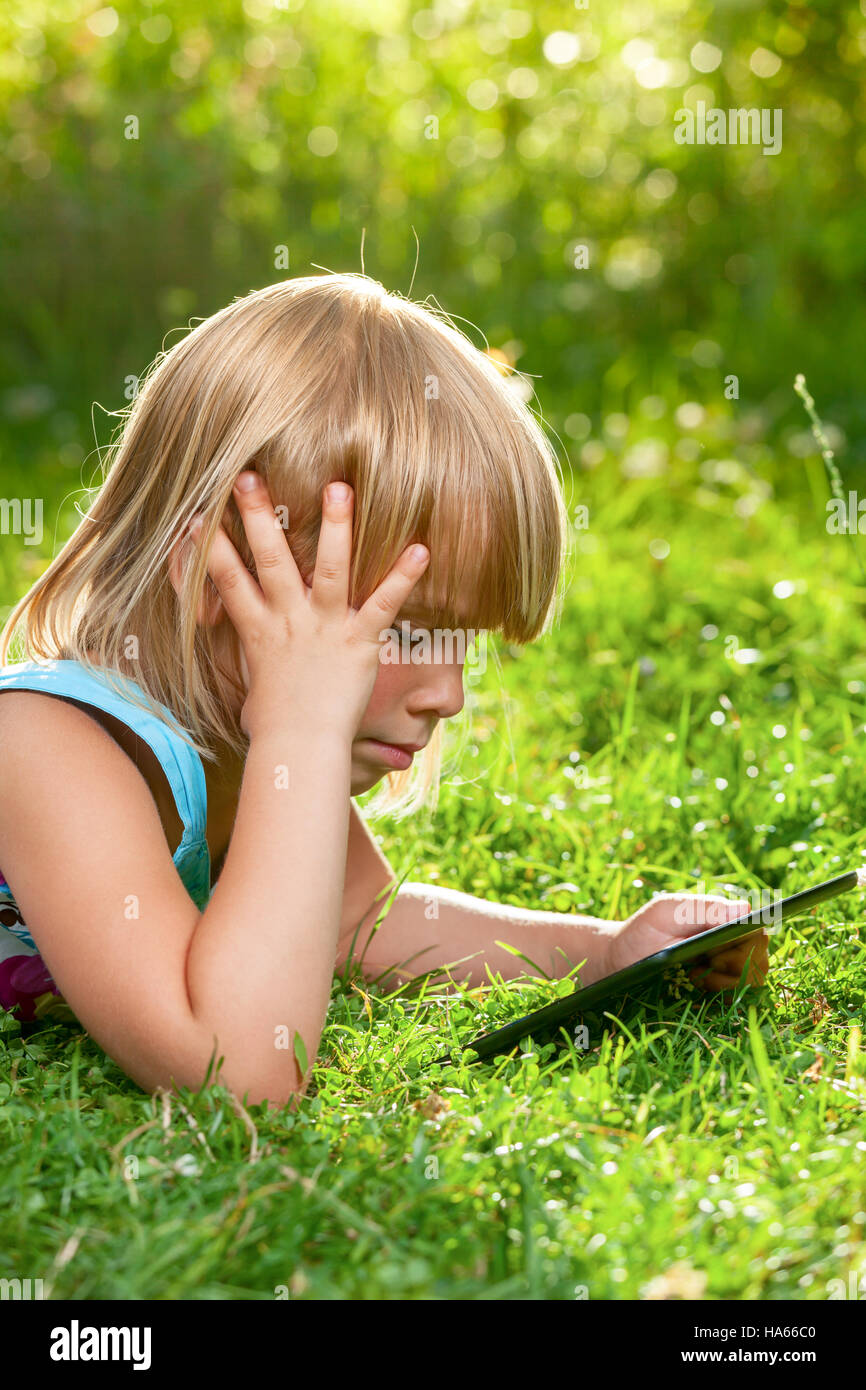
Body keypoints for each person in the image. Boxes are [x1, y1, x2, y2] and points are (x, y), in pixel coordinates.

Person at [0, 273, 767, 1106]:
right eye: (404, 630)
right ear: (217, 573)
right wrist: (301, 729)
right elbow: (235, 1078)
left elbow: (360, 922)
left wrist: (607, 952)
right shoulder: (46, 744)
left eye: (462, 644)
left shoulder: (246, 746)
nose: (449, 694)